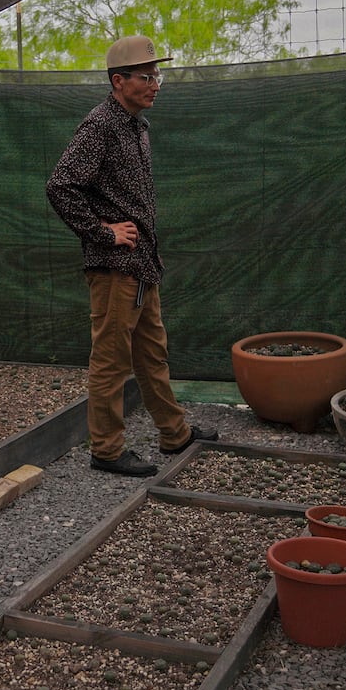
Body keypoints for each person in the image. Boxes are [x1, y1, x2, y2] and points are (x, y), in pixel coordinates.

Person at [46, 34, 218, 477]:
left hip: (142, 265)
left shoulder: (137, 126)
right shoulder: (100, 124)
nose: (155, 83)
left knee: (152, 354)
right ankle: (106, 450)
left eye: (158, 74)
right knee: (111, 360)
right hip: (115, 268)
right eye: (147, 76)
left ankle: (173, 432)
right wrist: (101, 232)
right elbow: (61, 186)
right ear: (119, 81)